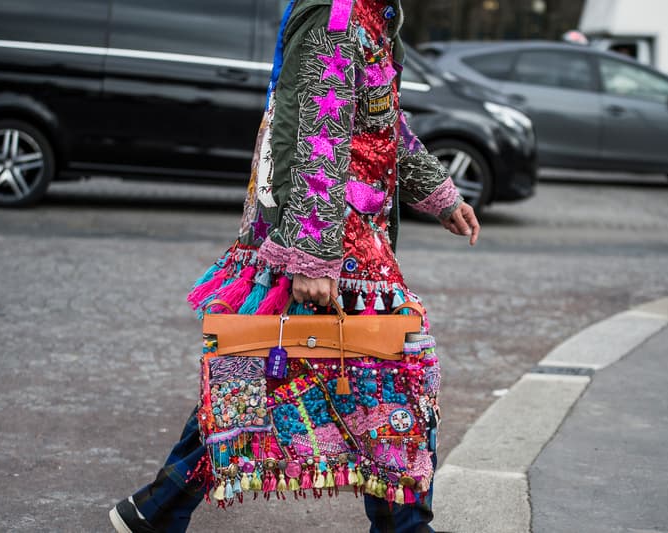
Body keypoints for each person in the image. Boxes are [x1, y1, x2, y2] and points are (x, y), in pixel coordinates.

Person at [110, 0, 480, 531]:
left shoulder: (375, 16)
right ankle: (406, 528)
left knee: (256, 370)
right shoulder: (337, 15)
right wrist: (312, 258)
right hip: (328, 231)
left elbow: (381, 124)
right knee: (400, 370)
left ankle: (155, 510)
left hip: (338, 228)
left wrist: (439, 195)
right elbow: (318, 133)